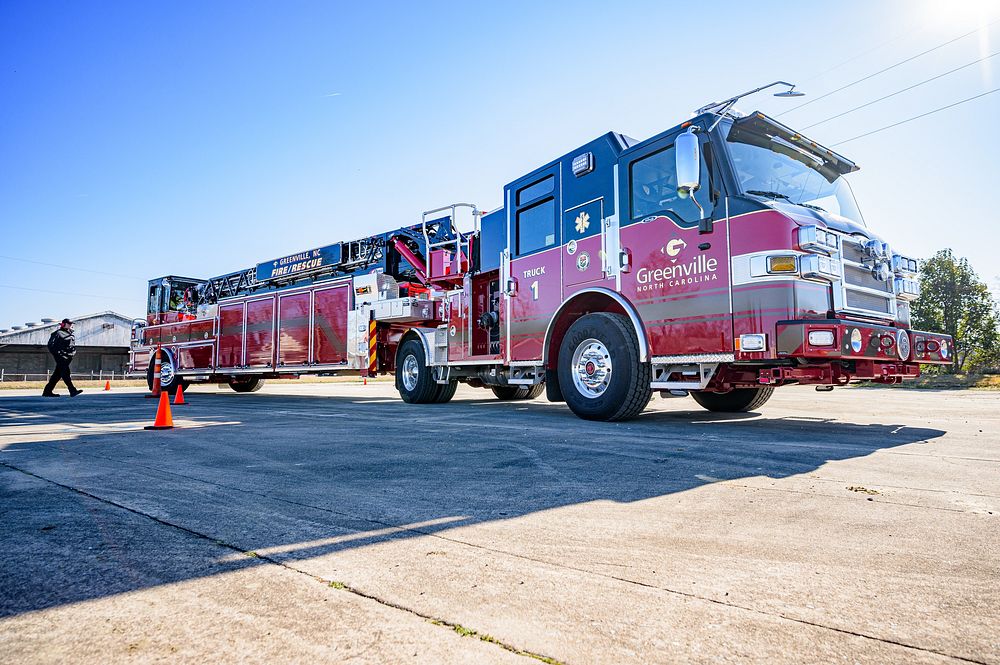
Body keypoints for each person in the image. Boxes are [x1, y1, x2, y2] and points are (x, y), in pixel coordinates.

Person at [43, 319, 82, 397]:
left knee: (57, 375)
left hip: (68, 357)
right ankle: (72, 390)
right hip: (61, 357)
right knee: (66, 373)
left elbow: (71, 346)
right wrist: (59, 354)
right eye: (69, 323)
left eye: (71, 324)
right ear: (63, 324)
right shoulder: (58, 333)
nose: (70, 325)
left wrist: (72, 353)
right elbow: (50, 345)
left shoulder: (70, 333)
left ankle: (47, 391)